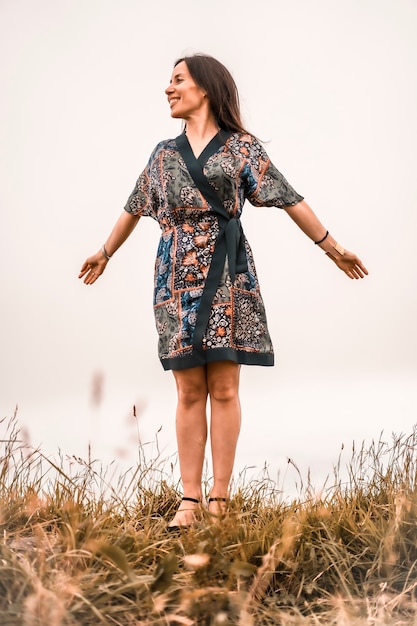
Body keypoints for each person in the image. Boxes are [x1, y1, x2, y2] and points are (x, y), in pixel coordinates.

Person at [79, 54, 368, 530]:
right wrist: (105, 252)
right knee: (188, 387)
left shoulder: (241, 148)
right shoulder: (163, 155)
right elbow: (134, 205)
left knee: (226, 385)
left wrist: (331, 248)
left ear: (206, 89)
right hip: (175, 279)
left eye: (178, 81)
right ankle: (188, 501)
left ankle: (219, 501)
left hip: (228, 271)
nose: (168, 89)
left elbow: (288, 195)